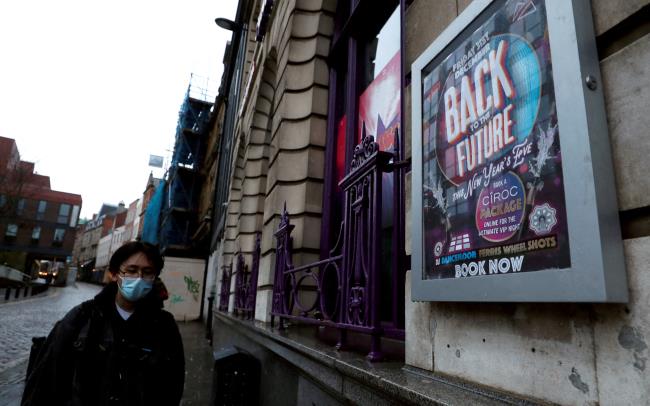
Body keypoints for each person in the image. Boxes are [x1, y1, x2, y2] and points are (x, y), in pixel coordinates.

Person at [22, 241, 185, 406]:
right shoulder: (82, 317)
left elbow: (172, 387)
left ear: (154, 278)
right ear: (114, 274)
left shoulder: (164, 326)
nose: (138, 278)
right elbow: (48, 379)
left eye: (147, 272)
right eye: (131, 270)